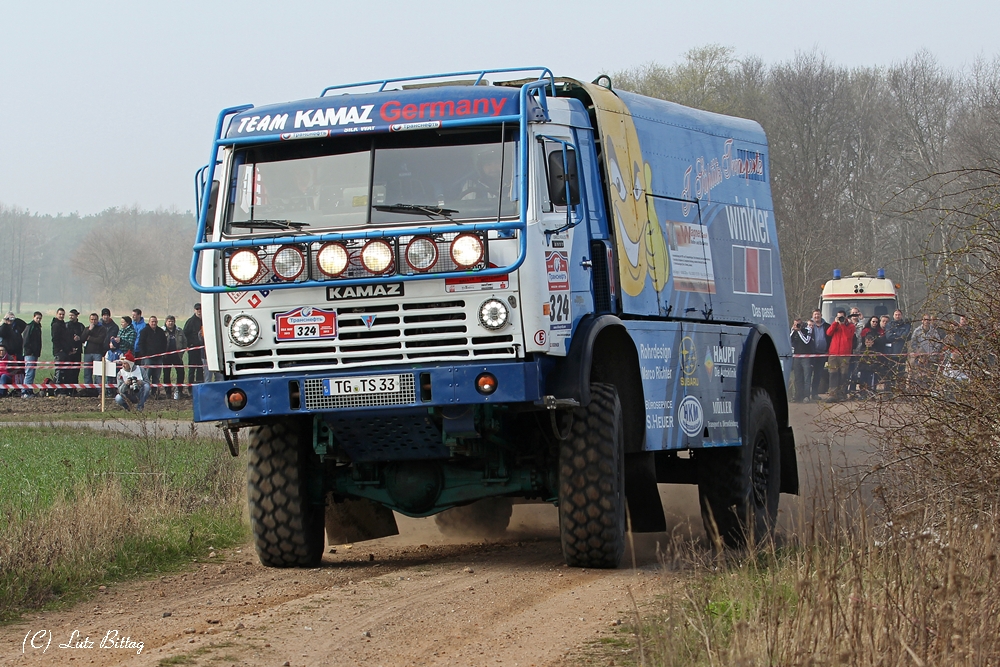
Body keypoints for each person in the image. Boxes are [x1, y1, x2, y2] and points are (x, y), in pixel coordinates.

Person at [826, 310, 855, 402]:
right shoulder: (835, 325)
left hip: (845, 354)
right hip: (833, 353)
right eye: (839, 317)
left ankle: (842, 394)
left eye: (842, 317)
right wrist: (835, 323)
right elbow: (828, 333)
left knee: (843, 374)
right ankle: (832, 394)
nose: (840, 318)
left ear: (846, 317)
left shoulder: (851, 326)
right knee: (833, 374)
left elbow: (848, 336)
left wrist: (842, 325)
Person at [908, 314, 943, 390]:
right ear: (922, 320)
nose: (927, 321)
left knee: (930, 375)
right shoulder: (917, 331)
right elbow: (913, 343)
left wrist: (934, 351)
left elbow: (938, 343)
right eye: (925, 319)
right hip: (920, 357)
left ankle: (930, 390)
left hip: (931, 357)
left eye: (928, 320)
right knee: (917, 374)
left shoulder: (934, 331)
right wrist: (918, 352)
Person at [883, 309, 911, 394]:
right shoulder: (889, 325)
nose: (897, 316)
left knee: (901, 373)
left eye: (899, 314)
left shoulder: (906, 325)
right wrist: (899, 336)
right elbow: (889, 336)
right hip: (892, 353)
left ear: (901, 315)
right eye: (896, 314)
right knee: (890, 373)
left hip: (902, 352)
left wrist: (895, 335)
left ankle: (900, 392)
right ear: (893, 315)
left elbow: (906, 335)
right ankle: (888, 392)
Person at [138, 315, 167, 397]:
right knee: (147, 375)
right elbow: (141, 343)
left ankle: (154, 393)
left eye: (155, 321)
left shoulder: (161, 331)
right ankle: (145, 392)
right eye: (152, 321)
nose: (154, 323)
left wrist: (163, 353)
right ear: (149, 322)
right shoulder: (144, 331)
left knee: (156, 376)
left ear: (157, 322)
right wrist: (144, 355)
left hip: (158, 358)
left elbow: (164, 343)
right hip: (148, 358)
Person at [80, 312, 107, 395]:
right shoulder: (87, 328)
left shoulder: (102, 329)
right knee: (87, 373)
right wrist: (89, 331)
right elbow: (82, 339)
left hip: (97, 353)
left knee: (98, 373)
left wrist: (90, 338)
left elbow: (100, 340)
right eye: (92, 319)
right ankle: (89, 390)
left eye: (95, 319)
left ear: (97, 320)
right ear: (89, 320)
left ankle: (99, 391)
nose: (93, 321)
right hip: (87, 353)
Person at [162, 315, 188, 400]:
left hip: (177, 356)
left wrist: (182, 352)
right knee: (166, 374)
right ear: (166, 322)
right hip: (166, 356)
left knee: (181, 373)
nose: (170, 323)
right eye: (169, 321)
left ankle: (179, 391)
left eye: (172, 321)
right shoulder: (162, 331)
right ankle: (168, 392)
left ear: (174, 322)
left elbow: (184, 341)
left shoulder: (179, 331)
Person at [806, 310, 829, 401]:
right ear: (812, 316)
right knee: (808, 374)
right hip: (811, 354)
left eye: (818, 314)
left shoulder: (827, 326)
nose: (817, 316)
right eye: (815, 314)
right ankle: (806, 395)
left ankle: (815, 394)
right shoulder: (808, 325)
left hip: (822, 354)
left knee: (818, 374)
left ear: (821, 315)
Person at [789, 318, 814, 402]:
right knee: (797, 377)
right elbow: (788, 340)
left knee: (807, 377)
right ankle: (798, 396)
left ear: (802, 324)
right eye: (795, 324)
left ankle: (806, 396)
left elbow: (806, 341)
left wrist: (799, 331)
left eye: (798, 324)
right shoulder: (793, 331)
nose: (797, 326)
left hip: (806, 356)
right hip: (796, 356)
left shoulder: (808, 329)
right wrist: (793, 331)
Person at [20, 311, 42, 398]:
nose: (39, 320)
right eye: (37, 318)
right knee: (29, 373)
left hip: (35, 353)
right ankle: (25, 391)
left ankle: (29, 390)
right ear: (34, 317)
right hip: (30, 353)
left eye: (40, 318)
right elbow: (26, 340)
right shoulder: (30, 326)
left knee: (32, 373)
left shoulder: (37, 327)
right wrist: (30, 350)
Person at [51, 308, 72, 395]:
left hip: (65, 351)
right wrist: (59, 349)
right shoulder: (56, 325)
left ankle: (63, 390)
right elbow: (55, 339)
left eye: (63, 314)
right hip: (59, 352)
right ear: (57, 314)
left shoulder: (63, 325)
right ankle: (57, 390)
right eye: (60, 314)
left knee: (64, 371)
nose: (61, 316)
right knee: (59, 372)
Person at [183, 304, 204, 386]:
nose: (199, 310)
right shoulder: (190, 321)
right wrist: (189, 344)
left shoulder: (205, 320)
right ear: (194, 310)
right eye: (197, 309)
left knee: (200, 368)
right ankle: (190, 387)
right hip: (193, 348)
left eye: (200, 309)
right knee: (192, 368)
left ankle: (200, 385)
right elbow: (185, 333)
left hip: (202, 349)